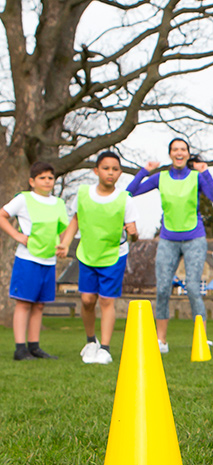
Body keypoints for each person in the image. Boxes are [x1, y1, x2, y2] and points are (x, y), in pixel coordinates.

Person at [127, 138, 213, 353]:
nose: (179, 153)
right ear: (170, 154)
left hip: (194, 239)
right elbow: (130, 192)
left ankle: (201, 337)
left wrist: (205, 172)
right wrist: (144, 171)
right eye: (175, 149)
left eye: (183, 149)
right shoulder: (160, 178)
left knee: (192, 287)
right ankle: (161, 340)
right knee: (162, 289)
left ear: (188, 154)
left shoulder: (197, 178)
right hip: (168, 240)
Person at [58, 152, 139, 365]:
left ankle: (104, 348)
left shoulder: (125, 199)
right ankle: (91, 342)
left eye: (115, 169)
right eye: (106, 168)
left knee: (106, 300)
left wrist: (133, 231)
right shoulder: (83, 194)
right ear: (96, 171)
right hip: (88, 254)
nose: (110, 173)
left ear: (120, 173)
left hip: (114, 255)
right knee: (86, 300)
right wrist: (65, 244)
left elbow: (134, 235)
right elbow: (75, 220)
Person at [0, 162, 68, 361]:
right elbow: (2, 216)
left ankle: (34, 347)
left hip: (49, 260)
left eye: (50, 178)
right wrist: (17, 236)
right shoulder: (24, 199)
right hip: (27, 259)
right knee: (24, 303)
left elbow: (62, 228)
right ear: (32, 181)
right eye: (42, 177)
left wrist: (63, 245)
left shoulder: (58, 203)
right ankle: (20, 349)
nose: (47, 181)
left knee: (39, 305)